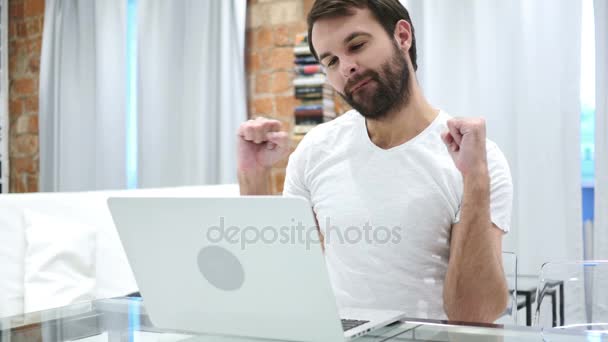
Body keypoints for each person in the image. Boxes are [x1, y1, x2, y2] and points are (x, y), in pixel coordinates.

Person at [237, 0, 512, 323]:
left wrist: (474, 180)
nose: (346, 67)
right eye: (331, 61)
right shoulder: (315, 151)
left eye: (357, 45)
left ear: (403, 36)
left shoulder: (478, 159)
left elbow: (474, 315)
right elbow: (281, 283)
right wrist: (253, 176)